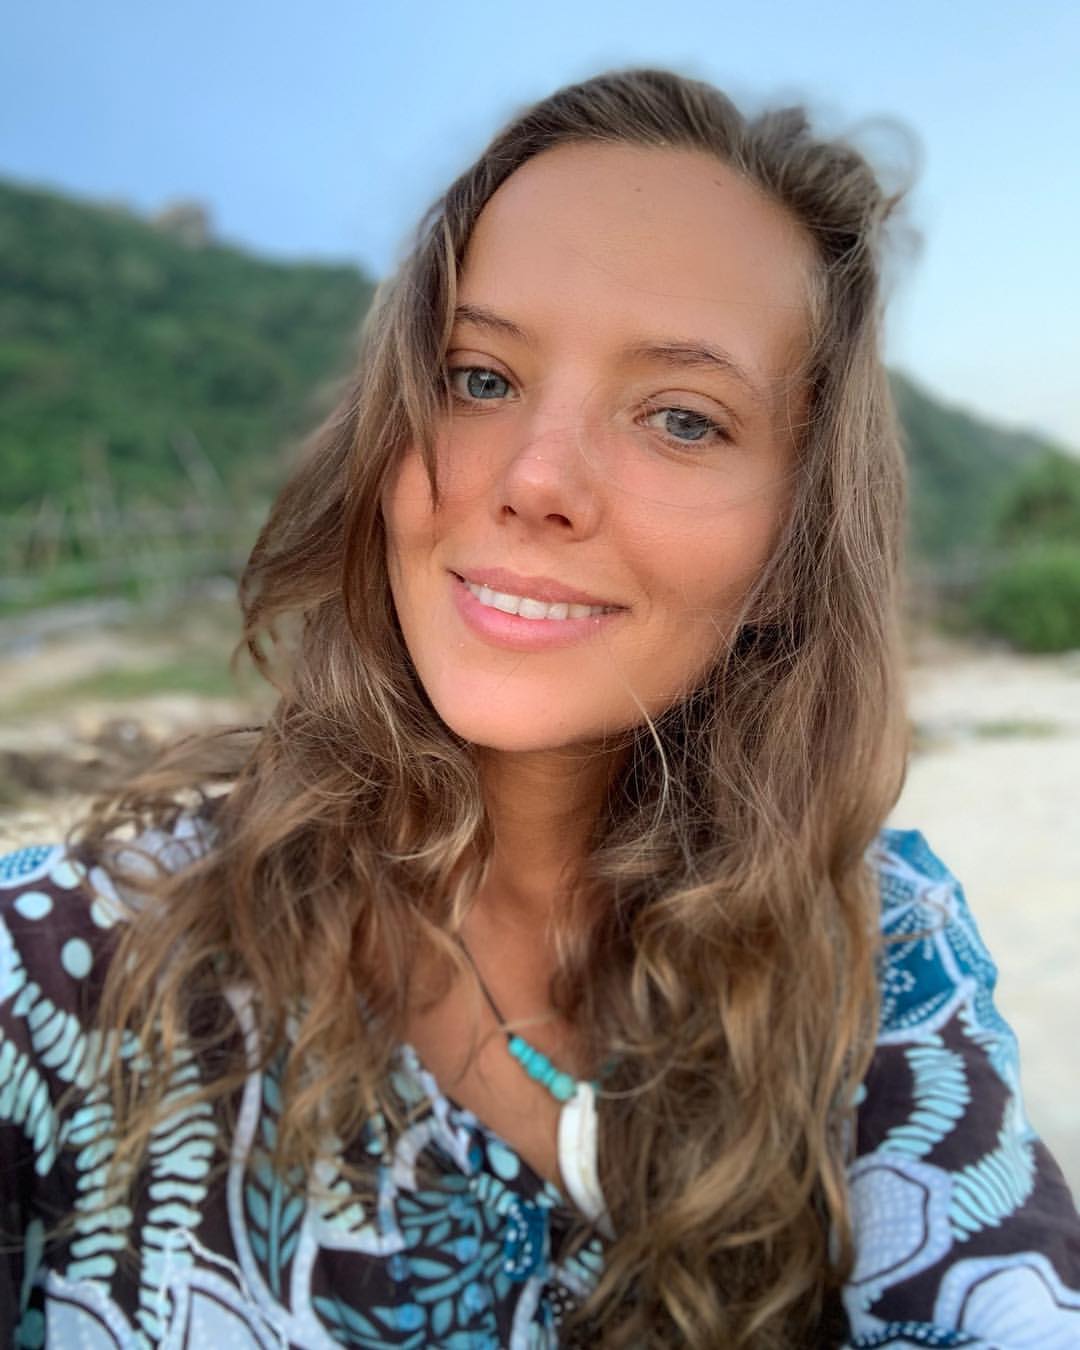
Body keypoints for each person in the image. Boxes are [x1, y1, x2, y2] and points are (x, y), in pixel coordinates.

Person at [1, 67, 1078, 1349]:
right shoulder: (67, 967)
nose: (536, 480)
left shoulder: (880, 956)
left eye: (682, 419)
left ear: (798, 543)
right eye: (477, 377)